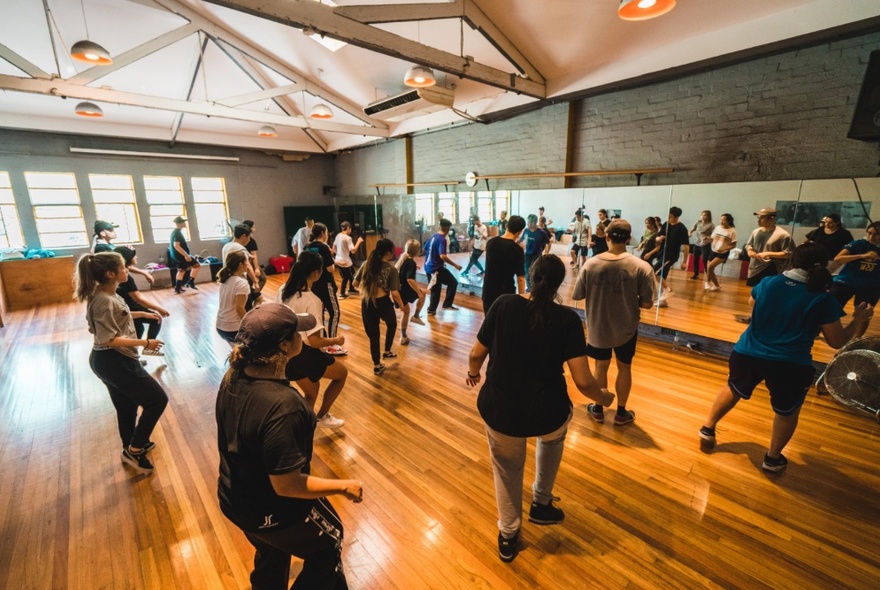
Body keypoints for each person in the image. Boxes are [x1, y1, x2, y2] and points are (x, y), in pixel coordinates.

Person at [465, 255, 614, 563]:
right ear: (560, 284)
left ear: (530, 277)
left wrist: (473, 374)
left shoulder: (504, 304)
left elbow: (476, 353)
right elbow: (584, 382)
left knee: (507, 468)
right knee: (552, 438)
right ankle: (542, 503)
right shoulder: (568, 320)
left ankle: (508, 533)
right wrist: (604, 398)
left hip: (501, 410)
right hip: (548, 410)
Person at [215, 303, 363, 589]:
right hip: (272, 508)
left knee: (272, 552)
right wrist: (343, 485)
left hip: (233, 499)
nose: (302, 338)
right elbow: (287, 485)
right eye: (297, 333)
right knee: (328, 543)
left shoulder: (233, 376)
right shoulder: (285, 405)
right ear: (284, 345)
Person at [699, 243, 874, 473]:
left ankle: (708, 428)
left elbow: (752, 303)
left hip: (746, 353)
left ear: (793, 262)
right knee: (786, 411)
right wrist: (859, 320)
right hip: (789, 363)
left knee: (733, 388)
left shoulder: (769, 282)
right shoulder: (822, 299)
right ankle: (772, 459)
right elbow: (837, 341)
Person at [75, 251, 168, 475]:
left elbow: (118, 315)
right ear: (110, 273)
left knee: (127, 406)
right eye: (124, 268)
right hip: (114, 360)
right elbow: (108, 338)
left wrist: (144, 315)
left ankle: (130, 446)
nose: (127, 270)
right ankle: (135, 450)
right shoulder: (103, 300)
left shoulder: (106, 293)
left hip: (109, 361)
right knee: (157, 400)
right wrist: (145, 342)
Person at [572, 220, 655, 426]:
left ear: (606, 237)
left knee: (601, 367)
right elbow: (646, 304)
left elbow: (577, 295)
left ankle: (598, 409)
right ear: (628, 238)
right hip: (627, 328)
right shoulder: (642, 267)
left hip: (598, 326)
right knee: (624, 367)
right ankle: (621, 413)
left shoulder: (591, 264)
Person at [278, 251, 349, 429]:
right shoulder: (312, 300)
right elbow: (315, 341)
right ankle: (321, 416)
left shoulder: (283, 290)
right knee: (341, 374)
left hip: (284, 352)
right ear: (317, 273)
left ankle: (303, 427)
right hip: (302, 353)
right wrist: (336, 340)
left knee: (312, 390)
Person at [354, 238, 404, 375]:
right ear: (388, 253)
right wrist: (403, 306)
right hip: (383, 303)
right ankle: (387, 351)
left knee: (374, 336)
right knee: (392, 324)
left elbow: (354, 284)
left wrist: (367, 289)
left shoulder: (366, 264)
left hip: (367, 303)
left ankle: (377, 365)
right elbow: (395, 293)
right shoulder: (392, 270)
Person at [114, 246, 169, 354]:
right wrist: (158, 308)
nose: (136, 257)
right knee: (156, 319)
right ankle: (148, 349)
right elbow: (138, 298)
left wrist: (145, 273)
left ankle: (134, 356)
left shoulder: (118, 270)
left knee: (139, 329)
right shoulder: (126, 277)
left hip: (123, 304)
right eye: (134, 256)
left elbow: (129, 268)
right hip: (128, 306)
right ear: (127, 259)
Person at [305, 223, 344, 353]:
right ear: (322, 233)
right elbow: (330, 268)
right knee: (335, 311)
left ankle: (321, 341)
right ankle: (332, 342)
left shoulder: (307, 247)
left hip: (312, 284)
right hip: (325, 283)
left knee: (318, 312)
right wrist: (335, 262)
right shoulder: (323, 247)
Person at [482, 215, 526, 313]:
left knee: (489, 324)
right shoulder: (517, 250)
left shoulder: (491, 243)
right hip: (506, 294)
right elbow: (520, 278)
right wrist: (522, 298)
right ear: (520, 232)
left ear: (506, 226)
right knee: (504, 325)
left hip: (488, 292)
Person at [830, 221, 880, 308]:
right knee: (831, 309)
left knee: (863, 315)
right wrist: (862, 256)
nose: (872, 237)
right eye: (869, 233)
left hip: (870, 286)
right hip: (846, 281)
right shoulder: (857, 244)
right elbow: (838, 258)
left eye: (877, 234)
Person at [93, 219, 156, 286]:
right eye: (111, 230)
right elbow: (119, 265)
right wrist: (144, 273)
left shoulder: (109, 245)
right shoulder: (102, 248)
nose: (114, 232)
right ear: (102, 233)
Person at [744, 208, 791, 287]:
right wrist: (750, 250)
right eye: (758, 218)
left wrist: (767, 253)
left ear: (772, 218)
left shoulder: (783, 234)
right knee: (754, 292)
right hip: (755, 266)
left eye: (762, 218)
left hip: (771, 267)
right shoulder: (756, 231)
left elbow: (789, 253)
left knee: (767, 291)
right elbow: (749, 245)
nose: (759, 220)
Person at [424, 218, 462, 315]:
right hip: (435, 268)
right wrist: (455, 265)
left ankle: (431, 310)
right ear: (448, 229)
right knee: (453, 282)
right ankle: (447, 304)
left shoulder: (433, 236)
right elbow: (443, 256)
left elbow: (425, 248)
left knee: (435, 289)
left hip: (429, 267)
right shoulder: (442, 239)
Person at [651, 207, 690, 299]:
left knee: (654, 272)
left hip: (671, 256)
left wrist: (684, 261)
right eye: (668, 216)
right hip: (662, 253)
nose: (669, 218)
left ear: (676, 217)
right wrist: (659, 238)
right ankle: (664, 298)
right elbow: (658, 237)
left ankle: (668, 291)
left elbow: (686, 246)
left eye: (671, 217)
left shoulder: (682, 229)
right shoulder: (666, 224)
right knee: (662, 276)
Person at [216, 250, 252, 345]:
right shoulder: (241, 283)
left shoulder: (224, 280)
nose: (248, 264)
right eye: (246, 261)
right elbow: (239, 308)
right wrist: (249, 326)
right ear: (240, 264)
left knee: (235, 352)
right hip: (233, 328)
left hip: (220, 326)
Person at [395, 239, 426, 344]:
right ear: (417, 251)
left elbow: (403, 270)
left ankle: (403, 336)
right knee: (422, 295)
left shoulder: (403, 259)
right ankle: (416, 316)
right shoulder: (410, 263)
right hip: (404, 290)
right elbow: (410, 279)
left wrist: (414, 267)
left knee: (406, 311)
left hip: (398, 289)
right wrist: (418, 292)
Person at [705, 213, 737, 291]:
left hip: (722, 253)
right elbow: (712, 239)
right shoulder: (717, 228)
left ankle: (710, 283)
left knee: (710, 267)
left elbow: (733, 245)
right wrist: (707, 239)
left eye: (724, 220)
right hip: (713, 250)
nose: (721, 221)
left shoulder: (732, 231)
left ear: (728, 221)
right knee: (709, 268)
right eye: (721, 219)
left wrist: (724, 248)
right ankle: (713, 284)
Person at [169, 216, 201, 294]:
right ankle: (190, 282)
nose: (185, 223)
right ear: (179, 224)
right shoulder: (177, 233)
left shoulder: (175, 232)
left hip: (176, 256)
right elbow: (176, 245)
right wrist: (186, 255)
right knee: (197, 265)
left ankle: (177, 288)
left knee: (181, 270)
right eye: (183, 222)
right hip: (181, 256)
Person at [520, 214, 551, 292]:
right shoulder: (526, 230)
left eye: (530, 222)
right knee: (526, 270)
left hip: (536, 254)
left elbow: (548, 242)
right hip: (527, 254)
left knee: (535, 271)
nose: (528, 224)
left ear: (535, 223)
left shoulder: (541, 232)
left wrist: (547, 252)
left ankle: (535, 286)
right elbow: (520, 240)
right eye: (528, 222)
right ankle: (529, 287)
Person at [333, 221, 363, 298]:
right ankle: (342, 293)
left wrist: (339, 254)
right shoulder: (348, 238)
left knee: (351, 273)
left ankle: (351, 289)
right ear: (348, 228)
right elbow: (353, 251)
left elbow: (334, 248)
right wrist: (359, 242)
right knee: (347, 277)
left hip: (339, 260)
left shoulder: (338, 235)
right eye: (350, 229)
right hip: (346, 262)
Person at [688, 210, 715, 280]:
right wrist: (690, 233)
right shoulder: (698, 223)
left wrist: (708, 238)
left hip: (705, 244)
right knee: (695, 259)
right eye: (702, 215)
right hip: (697, 244)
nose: (703, 216)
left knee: (705, 260)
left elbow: (714, 236)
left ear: (708, 216)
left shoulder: (711, 225)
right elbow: (692, 229)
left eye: (705, 215)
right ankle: (696, 274)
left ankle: (708, 273)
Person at [241, 220, 267, 291]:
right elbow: (254, 255)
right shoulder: (251, 241)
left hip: (244, 263)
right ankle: (255, 295)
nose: (254, 229)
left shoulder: (244, 240)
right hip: (249, 262)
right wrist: (256, 268)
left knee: (248, 282)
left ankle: (252, 296)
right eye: (253, 227)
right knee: (262, 278)